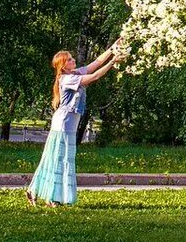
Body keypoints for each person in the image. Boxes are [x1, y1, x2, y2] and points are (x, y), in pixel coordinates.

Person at [26, 40, 123, 206]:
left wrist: (113, 48)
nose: (74, 61)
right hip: (63, 125)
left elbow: (96, 63)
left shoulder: (74, 74)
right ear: (63, 66)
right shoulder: (67, 79)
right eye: (70, 59)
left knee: (59, 159)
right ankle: (48, 195)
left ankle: (43, 193)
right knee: (58, 159)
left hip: (67, 125)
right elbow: (94, 76)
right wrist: (113, 62)